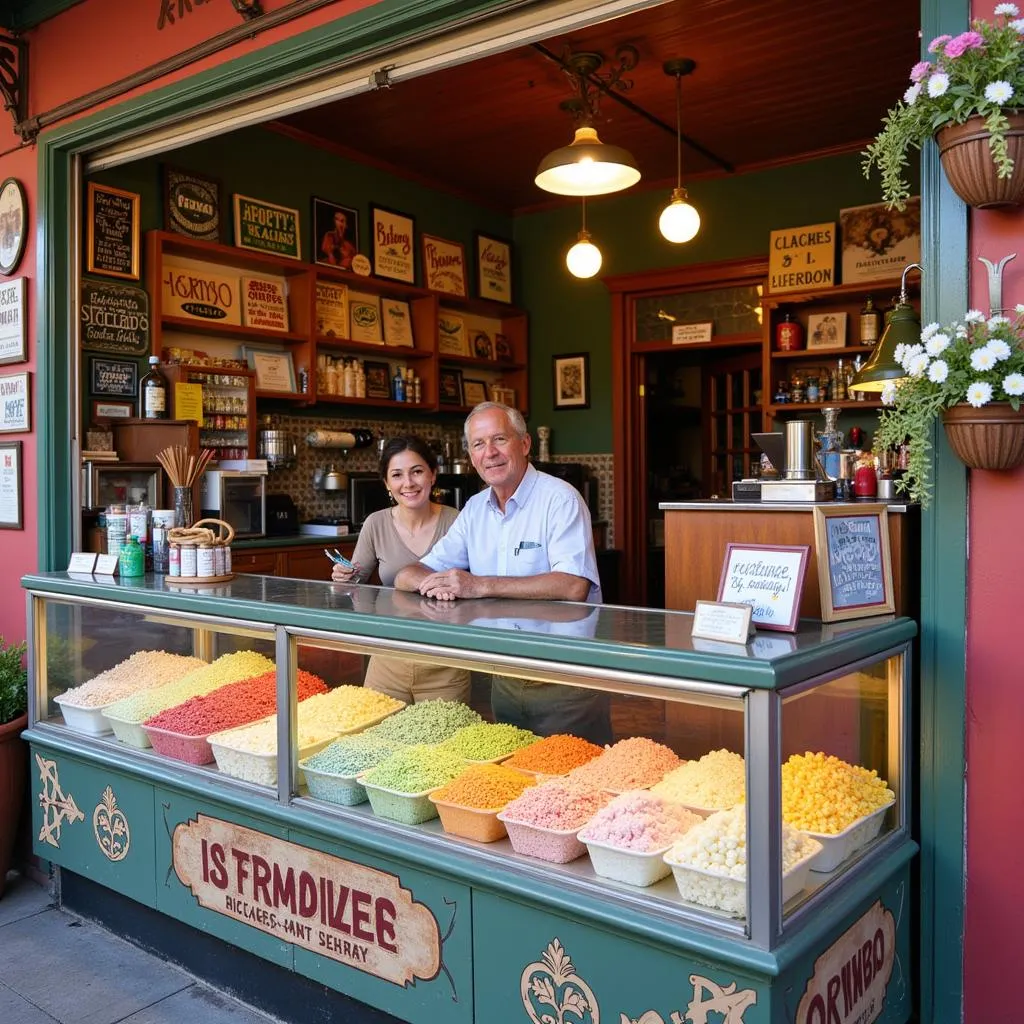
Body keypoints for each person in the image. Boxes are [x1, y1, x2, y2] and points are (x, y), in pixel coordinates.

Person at [394, 402, 610, 744]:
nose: (489, 453)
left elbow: (573, 585)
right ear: (470, 455)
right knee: (515, 782)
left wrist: (477, 585)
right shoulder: (475, 509)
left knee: (574, 786)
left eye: (499, 439)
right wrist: (433, 582)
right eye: (478, 444)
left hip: (566, 681)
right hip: (505, 678)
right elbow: (407, 574)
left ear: (524, 444)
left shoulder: (560, 499)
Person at [331, 435, 469, 704]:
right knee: (378, 741)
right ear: (387, 483)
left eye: (417, 471)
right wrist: (341, 578)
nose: (408, 483)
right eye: (397, 475)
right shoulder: (376, 524)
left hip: (446, 661)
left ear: (433, 475)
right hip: (387, 657)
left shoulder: (459, 521)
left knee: (443, 744)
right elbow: (351, 585)